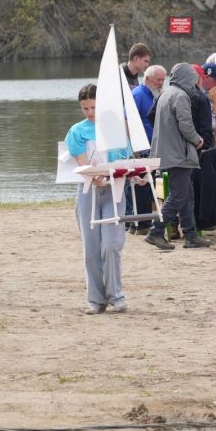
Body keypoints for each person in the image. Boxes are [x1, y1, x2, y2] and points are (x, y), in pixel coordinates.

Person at [65, 84, 129, 315]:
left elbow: (124, 160)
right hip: (88, 191)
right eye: (85, 108)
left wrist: (135, 175)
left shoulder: (115, 129)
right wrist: (94, 176)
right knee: (91, 248)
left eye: (93, 107)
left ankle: (116, 295)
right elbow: (82, 163)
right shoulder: (77, 131)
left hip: (115, 190)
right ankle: (95, 299)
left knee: (111, 244)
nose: (90, 112)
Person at [144, 63, 213, 250]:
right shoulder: (181, 96)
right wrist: (198, 140)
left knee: (187, 194)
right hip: (178, 153)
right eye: (193, 80)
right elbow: (186, 125)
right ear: (187, 79)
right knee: (178, 195)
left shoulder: (165, 93)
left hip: (166, 151)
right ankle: (156, 231)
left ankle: (190, 234)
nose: (195, 84)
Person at [128, 65, 166, 235]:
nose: (161, 83)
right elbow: (126, 120)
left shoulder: (155, 95)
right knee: (140, 187)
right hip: (140, 149)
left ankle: (140, 223)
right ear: (148, 79)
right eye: (158, 80)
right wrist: (133, 147)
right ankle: (141, 224)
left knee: (148, 187)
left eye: (163, 80)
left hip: (153, 148)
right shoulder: (138, 95)